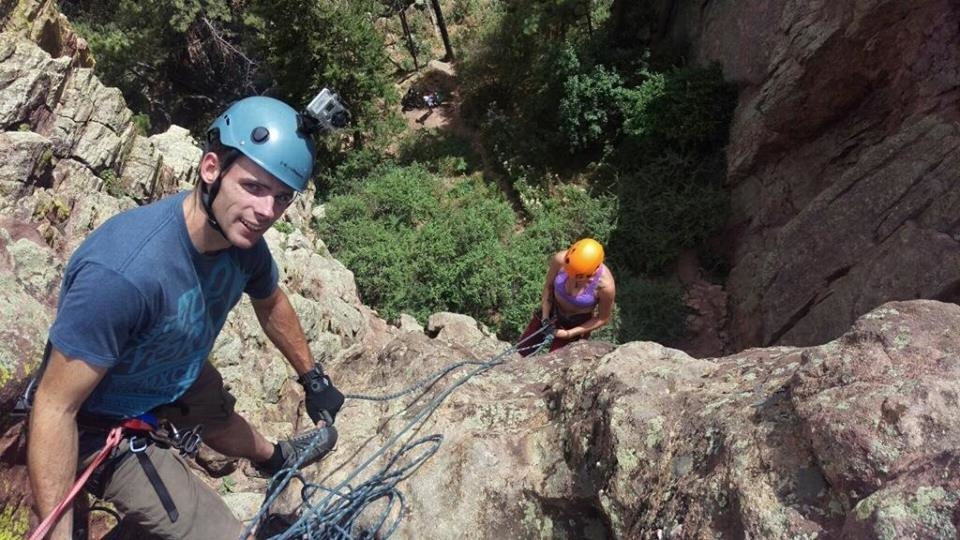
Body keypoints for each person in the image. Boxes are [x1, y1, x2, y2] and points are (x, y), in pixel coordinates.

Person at [27, 96, 345, 540]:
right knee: (218, 533)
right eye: (254, 187)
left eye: (282, 198)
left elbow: (270, 301)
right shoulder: (124, 274)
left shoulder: (243, 245)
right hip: (101, 420)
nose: (267, 212)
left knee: (216, 412)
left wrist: (312, 377)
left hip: (175, 364)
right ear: (211, 169)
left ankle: (274, 457)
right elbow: (55, 407)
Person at [518, 238, 616, 356]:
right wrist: (545, 316)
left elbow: (602, 318)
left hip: (577, 323)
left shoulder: (605, 287)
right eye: (569, 272)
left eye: (578, 277)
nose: (572, 279)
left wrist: (569, 334)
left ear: (593, 272)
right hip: (551, 310)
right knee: (522, 349)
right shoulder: (560, 260)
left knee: (555, 362)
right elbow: (548, 287)